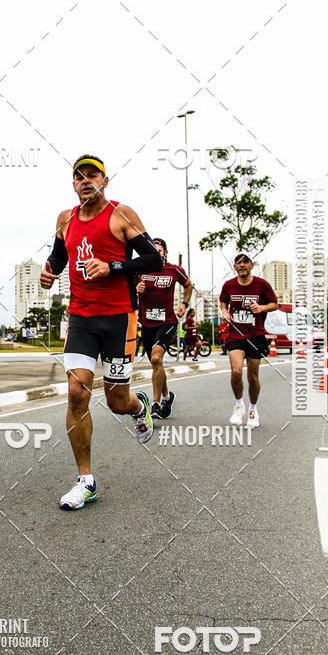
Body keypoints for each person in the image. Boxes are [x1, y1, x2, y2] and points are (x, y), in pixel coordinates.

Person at [40, 154, 163, 511]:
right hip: (81, 318)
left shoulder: (123, 215)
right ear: (73, 184)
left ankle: (138, 407)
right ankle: (86, 481)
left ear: (105, 181)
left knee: (115, 401)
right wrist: (48, 275)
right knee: (77, 392)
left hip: (119, 318)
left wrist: (114, 267)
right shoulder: (66, 220)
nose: (85, 181)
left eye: (92, 175)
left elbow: (154, 259)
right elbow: (58, 259)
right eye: (79, 176)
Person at [219, 252, 279, 428]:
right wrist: (225, 312)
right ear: (235, 267)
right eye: (239, 263)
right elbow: (223, 302)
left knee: (253, 377)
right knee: (236, 372)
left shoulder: (261, 284)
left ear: (251, 265)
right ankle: (239, 404)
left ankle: (253, 408)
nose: (242, 265)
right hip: (235, 334)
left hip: (255, 335)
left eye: (246, 262)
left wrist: (261, 307)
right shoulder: (229, 285)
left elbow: (275, 304)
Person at [136, 238, 192, 419]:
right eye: (153, 249)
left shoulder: (174, 270)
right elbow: (126, 289)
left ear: (165, 253)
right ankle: (168, 396)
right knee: (156, 363)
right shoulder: (140, 269)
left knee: (156, 357)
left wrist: (184, 303)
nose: (157, 252)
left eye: (159, 250)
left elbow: (188, 285)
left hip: (167, 321)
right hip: (146, 323)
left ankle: (156, 403)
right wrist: (136, 289)